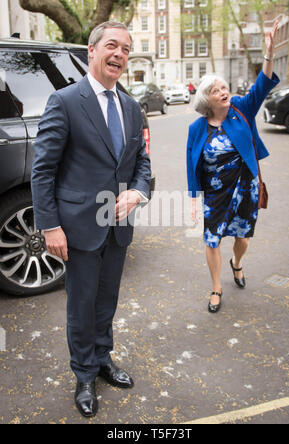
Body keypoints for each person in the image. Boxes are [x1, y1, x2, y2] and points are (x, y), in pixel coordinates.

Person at [31, 22, 151, 418]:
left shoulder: (132, 106)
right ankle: (83, 374)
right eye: (112, 46)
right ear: (92, 51)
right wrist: (50, 226)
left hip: (117, 228)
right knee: (81, 305)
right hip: (78, 228)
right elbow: (43, 170)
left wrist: (138, 191)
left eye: (126, 49)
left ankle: (102, 360)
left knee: (106, 301)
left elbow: (142, 163)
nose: (120, 54)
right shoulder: (64, 101)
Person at [186, 20, 280, 314]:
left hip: (246, 186)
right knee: (212, 239)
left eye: (224, 86)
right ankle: (216, 287)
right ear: (207, 99)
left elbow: (263, 84)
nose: (223, 91)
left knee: (242, 237)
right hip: (216, 191)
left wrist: (269, 49)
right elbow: (191, 163)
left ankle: (237, 263)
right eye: (216, 90)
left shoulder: (242, 109)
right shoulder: (197, 128)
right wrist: (193, 198)